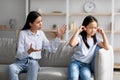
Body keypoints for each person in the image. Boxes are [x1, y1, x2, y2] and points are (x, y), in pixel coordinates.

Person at [8, 11, 66, 80]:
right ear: (30, 24)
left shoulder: (41, 34)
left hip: (33, 62)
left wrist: (58, 36)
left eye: (41, 21)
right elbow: (19, 54)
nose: (41, 24)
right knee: (11, 67)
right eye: (38, 22)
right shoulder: (22, 33)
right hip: (20, 62)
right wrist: (28, 52)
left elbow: (52, 49)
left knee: (33, 63)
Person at [68, 15, 109, 80]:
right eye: (90, 27)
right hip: (75, 63)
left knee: (86, 77)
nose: (93, 30)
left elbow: (107, 47)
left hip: (86, 65)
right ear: (85, 27)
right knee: (73, 77)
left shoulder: (96, 40)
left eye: (95, 28)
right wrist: (78, 31)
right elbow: (71, 44)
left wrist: (103, 33)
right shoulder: (80, 38)